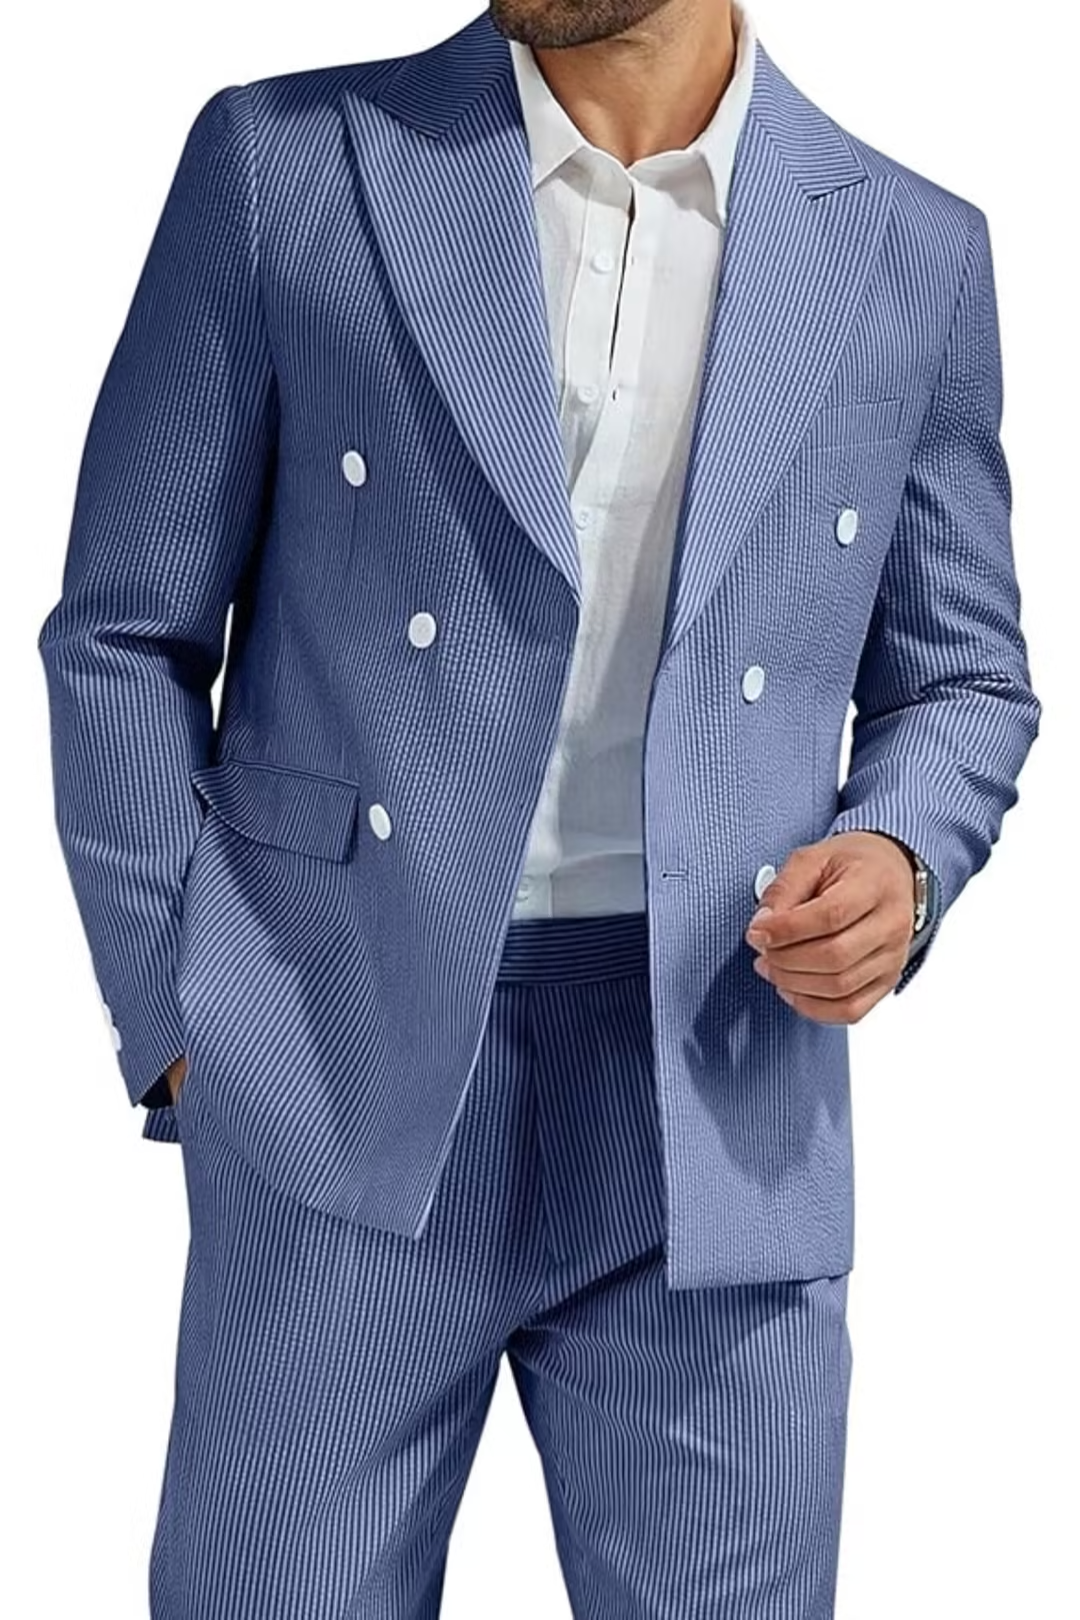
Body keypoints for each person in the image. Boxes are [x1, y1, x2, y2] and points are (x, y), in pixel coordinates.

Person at [37, 2, 1040, 1613]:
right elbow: (121, 634)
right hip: (334, 1066)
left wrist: (903, 853)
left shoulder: (911, 249)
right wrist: (183, 1023)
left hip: (715, 1093)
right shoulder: (286, 166)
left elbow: (963, 676)